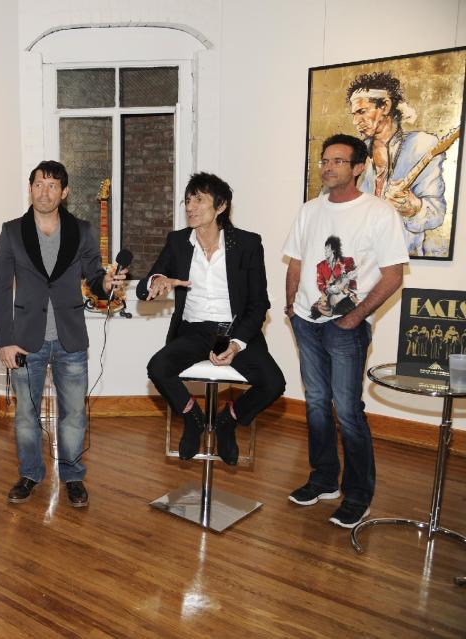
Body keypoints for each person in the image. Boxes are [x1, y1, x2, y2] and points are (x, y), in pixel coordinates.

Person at [283, 133, 407, 529]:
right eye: (324, 160)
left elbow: (392, 277)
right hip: (307, 323)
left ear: (358, 168)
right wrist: (291, 308)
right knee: (317, 406)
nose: (327, 167)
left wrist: (355, 317)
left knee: (349, 412)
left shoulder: (379, 213)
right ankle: (322, 481)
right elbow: (296, 264)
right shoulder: (309, 210)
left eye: (338, 161)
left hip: (346, 329)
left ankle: (357, 495)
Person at [0, 160, 125, 507]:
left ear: (64, 192)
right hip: (24, 340)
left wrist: (106, 283)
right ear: (30, 189)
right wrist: (4, 340)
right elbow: (1, 288)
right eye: (38, 184)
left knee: (74, 415)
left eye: (52, 185)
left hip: (71, 339)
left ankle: (73, 476)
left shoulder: (81, 230)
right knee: (25, 416)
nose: (44, 191)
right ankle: (31, 473)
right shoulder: (11, 231)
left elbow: (95, 278)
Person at [137, 173, 285, 465]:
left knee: (273, 383)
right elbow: (145, 288)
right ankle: (194, 418)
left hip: (233, 330)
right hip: (193, 330)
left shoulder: (247, 243)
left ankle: (227, 421)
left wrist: (238, 343)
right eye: (188, 200)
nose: (191, 206)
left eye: (199, 199)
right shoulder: (178, 241)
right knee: (158, 367)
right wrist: (157, 281)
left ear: (221, 207)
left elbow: (259, 304)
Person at [347, 71, 447, 257]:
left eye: (362, 111)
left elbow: (437, 213)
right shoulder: (353, 154)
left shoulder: (421, 146)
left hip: (400, 261)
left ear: (385, 105)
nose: (356, 121)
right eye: (353, 114)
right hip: (356, 259)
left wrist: (413, 207)